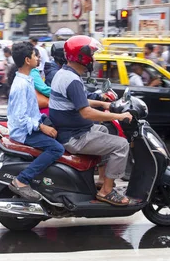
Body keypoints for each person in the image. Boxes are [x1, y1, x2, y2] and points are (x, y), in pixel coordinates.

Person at [49, 35, 140, 207]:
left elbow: (80, 101)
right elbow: (87, 113)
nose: (93, 58)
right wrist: (119, 116)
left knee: (105, 131)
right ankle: (106, 191)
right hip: (74, 137)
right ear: (81, 56)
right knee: (121, 145)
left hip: (70, 131)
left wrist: (105, 103)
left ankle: (103, 180)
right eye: (91, 53)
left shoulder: (64, 74)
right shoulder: (72, 80)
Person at [7, 42, 64, 201]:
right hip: (24, 132)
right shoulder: (21, 85)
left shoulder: (27, 79)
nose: (38, 58)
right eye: (34, 55)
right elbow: (20, 117)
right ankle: (21, 180)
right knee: (56, 149)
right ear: (27, 60)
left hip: (32, 124)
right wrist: (42, 127)